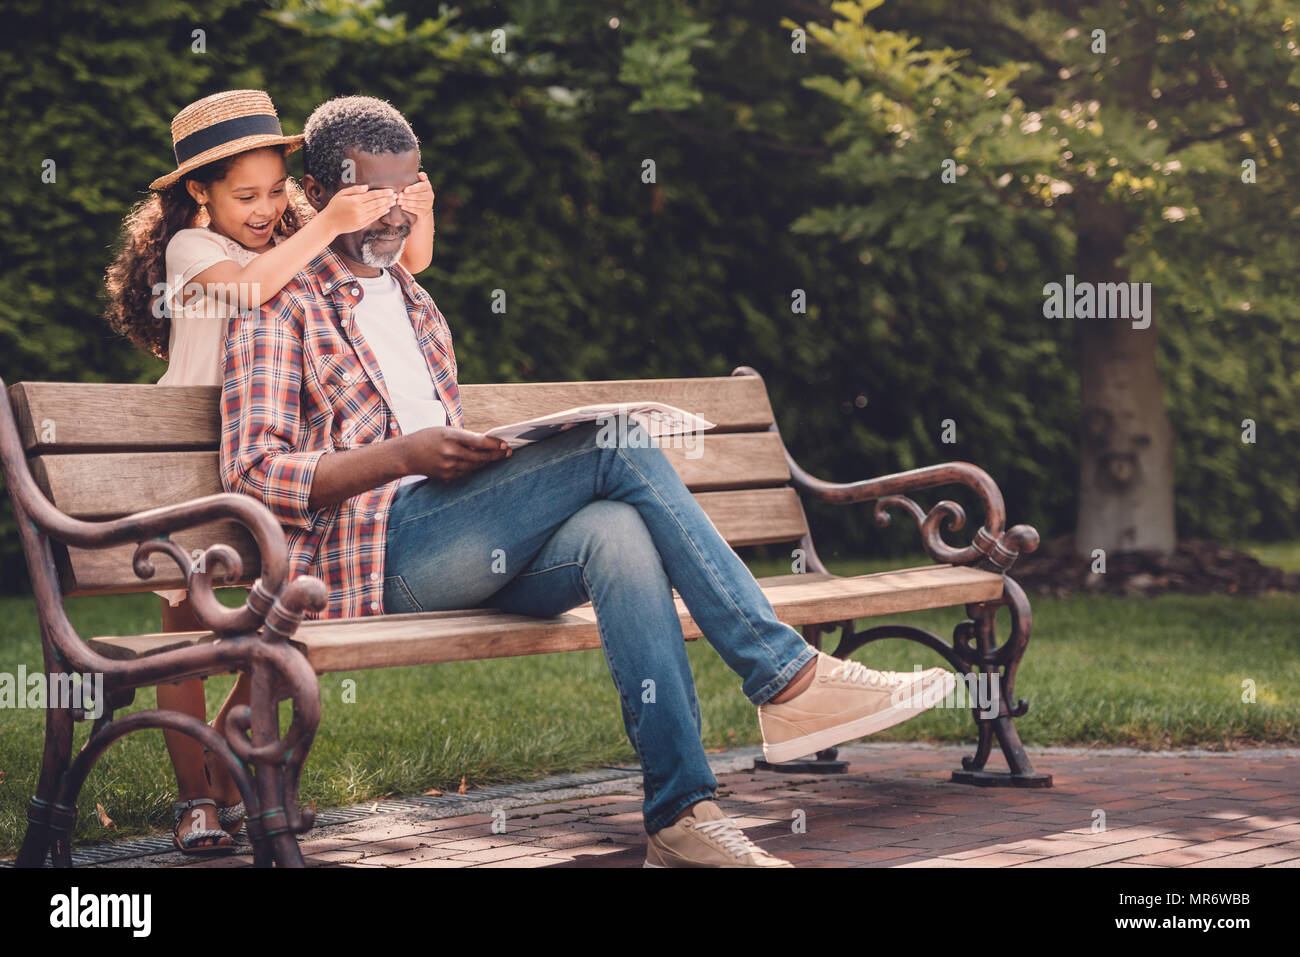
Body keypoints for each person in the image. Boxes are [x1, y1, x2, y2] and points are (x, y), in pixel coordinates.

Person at [220, 95, 956, 868]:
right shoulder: (278, 304)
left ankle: (681, 816)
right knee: (617, 442)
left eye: (406, 193)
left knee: (620, 531)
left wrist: (473, 456)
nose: (392, 215)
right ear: (322, 190)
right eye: (371, 196)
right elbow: (255, 472)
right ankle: (785, 676)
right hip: (376, 558)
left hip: (463, 548)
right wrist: (407, 456)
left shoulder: (415, 302)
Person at [103, 89, 435, 854]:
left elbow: (412, 263)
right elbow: (256, 286)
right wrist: (325, 223)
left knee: (274, 630)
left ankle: (247, 781)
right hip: (187, 467)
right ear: (199, 192)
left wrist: (412, 206)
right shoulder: (194, 249)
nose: (262, 209)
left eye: (274, 191)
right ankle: (197, 800)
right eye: (242, 195)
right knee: (187, 641)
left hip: (262, 457)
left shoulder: (295, 238)